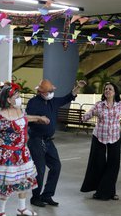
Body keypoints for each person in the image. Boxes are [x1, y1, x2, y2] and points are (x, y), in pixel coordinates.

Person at [0, 83, 50, 216]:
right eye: (16, 96)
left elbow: (25, 118)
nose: (19, 98)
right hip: (7, 154)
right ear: (8, 99)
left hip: (22, 152)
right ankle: (0, 212)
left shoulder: (19, 111)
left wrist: (39, 118)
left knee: (25, 180)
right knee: (6, 183)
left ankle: (22, 208)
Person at [26, 78, 87, 207]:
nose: (51, 93)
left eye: (52, 91)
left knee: (56, 166)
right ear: (41, 92)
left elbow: (68, 97)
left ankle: (47, 195)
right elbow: (27, 119)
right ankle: (35, 197)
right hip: (36, 140)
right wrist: (39, 119)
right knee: (40, 170)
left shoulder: (53, 101)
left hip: (48, 141)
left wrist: (77, 88)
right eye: (48, 91)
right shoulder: (33, 103)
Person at [80, 82, 121, 201]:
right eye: (105, 89)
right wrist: (90, 115)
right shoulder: (99, 105)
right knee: (99, 164)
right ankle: (100, 191)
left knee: (114, 165)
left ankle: (111, 192)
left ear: (115, 92)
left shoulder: (120, 105)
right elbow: (85, 117)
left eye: (110, 89)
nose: (107, 90)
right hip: (99, 137)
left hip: (115, 137)